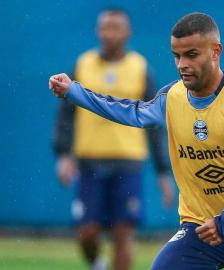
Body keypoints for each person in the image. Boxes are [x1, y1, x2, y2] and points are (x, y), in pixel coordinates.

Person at [50, 12, 224, 270]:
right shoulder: (171, 98)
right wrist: (75, 92)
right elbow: (130, 111)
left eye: (191, 55)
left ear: (215, 51)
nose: (182, 64)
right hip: (202, 231)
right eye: (177, 55)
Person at [52, 8, 174, 270]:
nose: (110, 33)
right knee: (87, 233)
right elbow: (66, 113)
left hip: (127, 163)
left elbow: (155, 122)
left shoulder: (140, 68)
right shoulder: (83, 64)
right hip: (90, 162)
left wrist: (163, 172)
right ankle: (98, 264)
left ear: (127, 32)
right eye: (105, 27)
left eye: (116, 27)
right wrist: (63, 154)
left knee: (123, 233)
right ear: (98, 31)